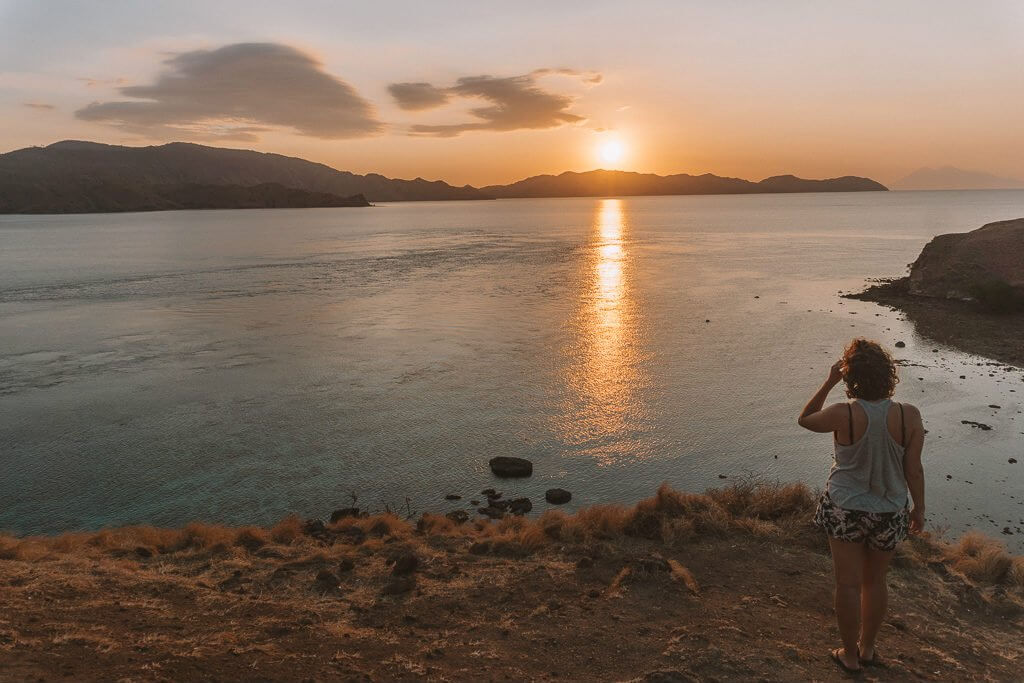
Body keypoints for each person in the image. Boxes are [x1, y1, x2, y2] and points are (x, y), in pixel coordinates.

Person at [798, 338, 926, 673]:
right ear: (888, 374)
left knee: (848, 583)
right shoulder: (909, 415)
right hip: (889, 510)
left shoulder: (845, 413)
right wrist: (919, 509)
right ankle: (868, 649)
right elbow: (913, 469)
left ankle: (850, 656)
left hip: (845, 507)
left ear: (851, 376)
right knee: (875, 582)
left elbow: (806, 418)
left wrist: (828, 381)